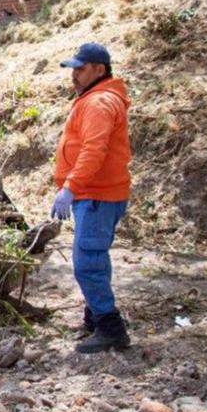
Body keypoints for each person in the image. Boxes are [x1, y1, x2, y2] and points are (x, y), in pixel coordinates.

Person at [49, 42, 132, 354]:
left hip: (96, 195)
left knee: (87, 264)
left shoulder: (99, 103)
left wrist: (71, 186)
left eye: (80, 69)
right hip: (96, 194)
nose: (75, 75)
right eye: (73, 69)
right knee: (96, 258)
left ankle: (111, 327)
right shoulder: (97, 99)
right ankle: (95, 315)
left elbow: (93, 150)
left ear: (100, 69)